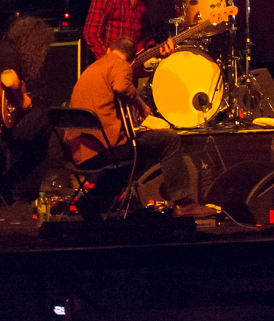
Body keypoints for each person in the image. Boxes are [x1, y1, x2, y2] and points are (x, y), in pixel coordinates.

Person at [66, 36, 210, 218]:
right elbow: (122, 87)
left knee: (135, 160)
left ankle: (92, 203)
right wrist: (142, 107)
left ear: (109, 49)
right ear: (133, 60)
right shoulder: (121, 64)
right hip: (105, 149)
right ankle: (184, 204)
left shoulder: (92, 69)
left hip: (79, 152)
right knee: (169, 139)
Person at [0, 14, 56, 185]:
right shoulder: (9, 54)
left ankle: (11, 183)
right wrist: (21, 101)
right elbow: (8, 79)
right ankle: (29, 182)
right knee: (50, 120)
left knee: (38, 134)